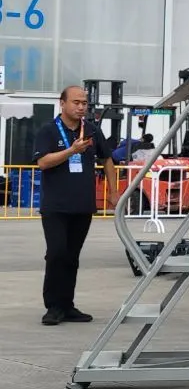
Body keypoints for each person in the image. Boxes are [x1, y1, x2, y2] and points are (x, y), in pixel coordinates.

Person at [33, 85, 118, 326]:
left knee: (72, 256)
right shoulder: (48, 130)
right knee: (57, 253)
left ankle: (67, 305)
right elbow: (43, 162)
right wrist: (72, 151)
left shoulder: (91, 130)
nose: (81, 107)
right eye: (76, 102)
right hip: (56, 207)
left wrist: (113, 191)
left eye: (84, 103)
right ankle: (53, 306)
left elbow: (107, 159)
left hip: (82, 205)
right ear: (62, 103)